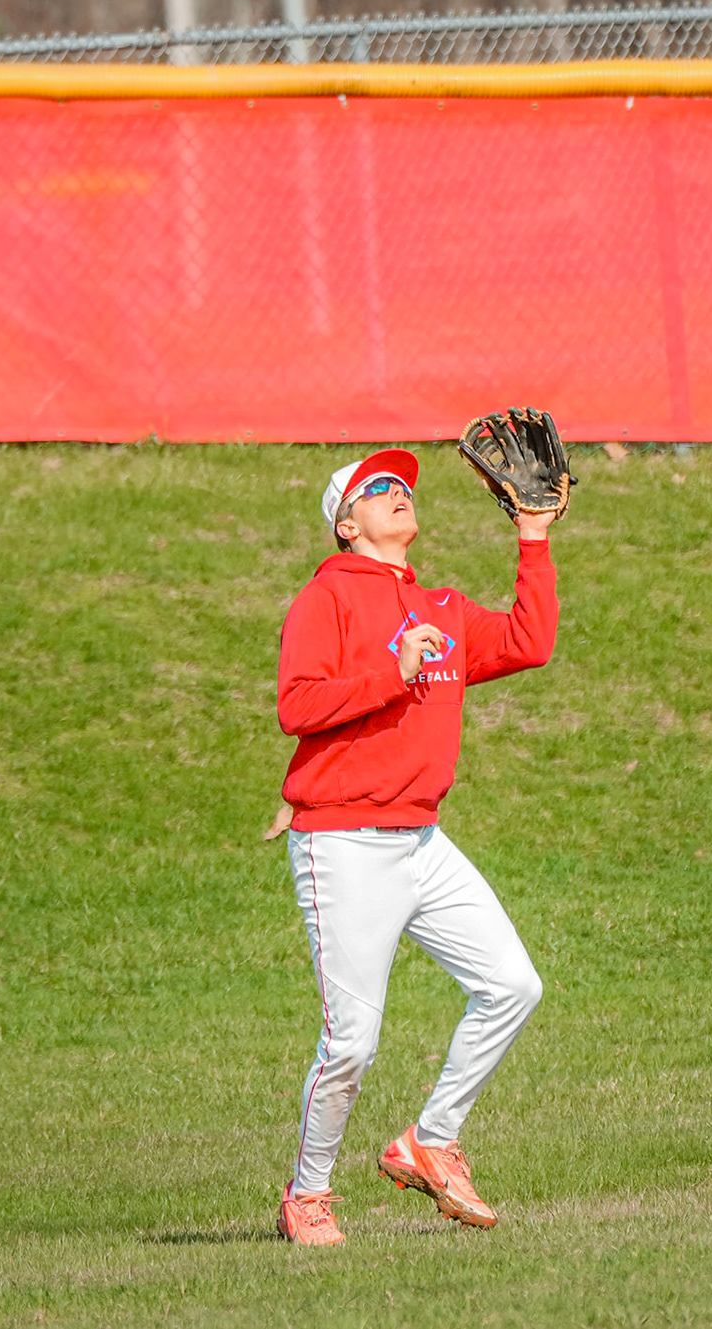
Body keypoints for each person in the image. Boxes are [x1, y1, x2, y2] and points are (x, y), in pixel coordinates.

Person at [273, 447, 559, 1246]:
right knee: (352, 1044)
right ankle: (308, 1194)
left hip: (422, 840)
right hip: (343, 842)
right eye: (378, 487)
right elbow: (296, 705)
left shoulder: (440, 605)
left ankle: (431, 1140)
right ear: (346, 523)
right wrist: (393, 674)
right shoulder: (325, 597)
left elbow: (529, 641)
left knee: (512, 985)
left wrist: (533, 538)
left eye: (403, 484)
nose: (399, 491)